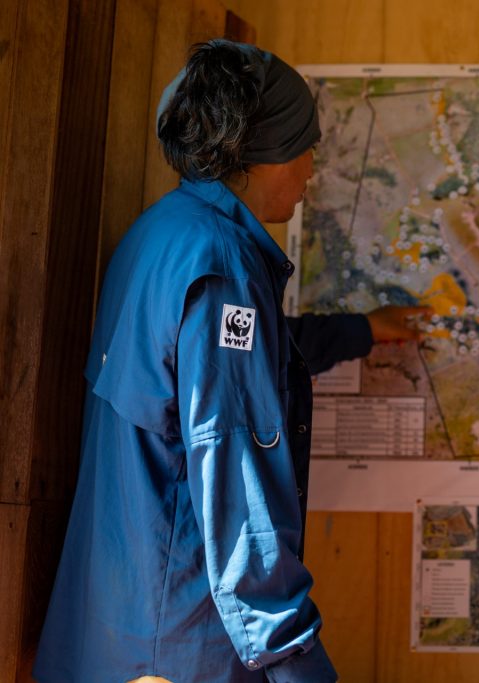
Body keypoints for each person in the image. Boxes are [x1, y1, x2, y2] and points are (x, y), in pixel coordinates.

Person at [34, 40, 427, 683]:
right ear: (265, 151)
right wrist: (298, 664)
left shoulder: (165, 232)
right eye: (308, 146)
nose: (312, 170)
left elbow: (240, 364)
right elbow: (235, 473)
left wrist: (362, 331)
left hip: (118, 621)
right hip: (182, 640)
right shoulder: (224, 267)